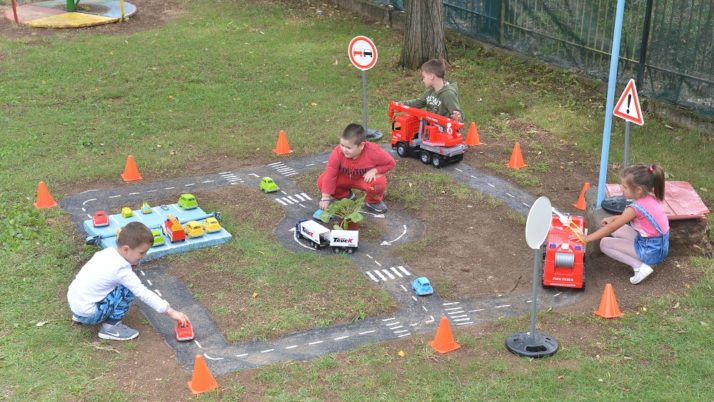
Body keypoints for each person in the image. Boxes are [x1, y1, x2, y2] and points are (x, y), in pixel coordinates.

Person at [68, 222, 189, 340]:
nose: (144, 256)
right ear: (126, 249)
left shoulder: (105, 253)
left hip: (76, 305)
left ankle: (81, 316)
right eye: (141, 252)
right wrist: (170, 312)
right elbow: (143, 293)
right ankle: (110, 328)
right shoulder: (121, 269)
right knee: (128, 290)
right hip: (90, 314)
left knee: (112, 286)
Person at [586, 164, 669, 285]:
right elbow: (634, 220)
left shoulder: (635, 208)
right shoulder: (649, 197)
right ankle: (642, 260)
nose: (621, 189)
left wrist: (587, 238)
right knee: (614, 228)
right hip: (658, 246)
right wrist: (614, 218)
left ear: (639, 189)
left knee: (604, 244)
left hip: (651, 251)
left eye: (625, 187)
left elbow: (611, 227)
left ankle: (640, 267)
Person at [317, 123, 396, 213]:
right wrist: (325, 198)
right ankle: (346, 196)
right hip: (345, 178)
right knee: (322, 181)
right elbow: (330, 175)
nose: (344, 150)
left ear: (361, 145)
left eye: (349, 148)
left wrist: (375, 170)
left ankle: (372, 202)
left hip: (364, 179)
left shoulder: (374, 151)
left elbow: (390, 163)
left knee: (379, 182)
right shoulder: (337, 152)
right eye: (342, 145)